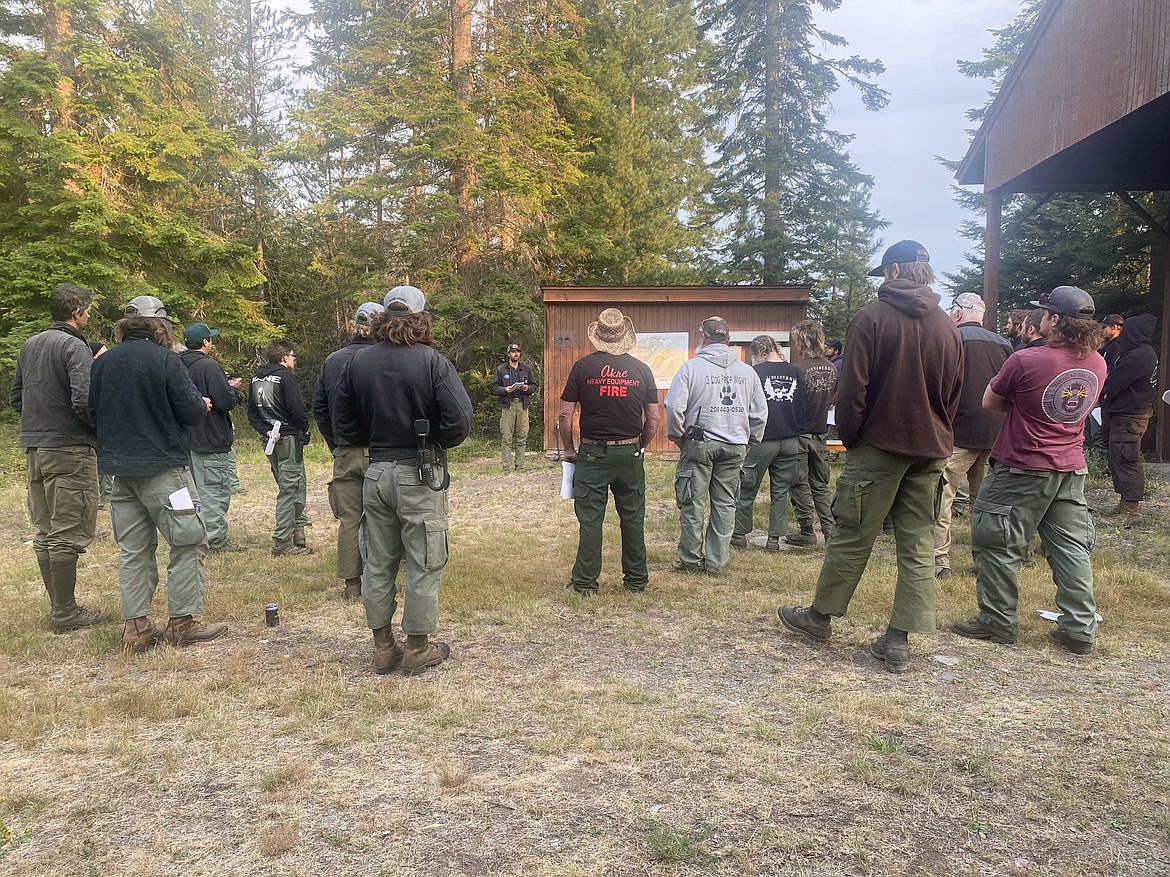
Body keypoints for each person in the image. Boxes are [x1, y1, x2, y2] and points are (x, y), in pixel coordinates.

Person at [778, 240, 962, 673]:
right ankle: (898, 640)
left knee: (853, 534)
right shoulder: (947, 326)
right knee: (918, 541)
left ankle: (819, 619)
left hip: (879, 446)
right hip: (931, 449)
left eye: (883, 272)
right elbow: (952, 395)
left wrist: (853, 439)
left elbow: (853, 391)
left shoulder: (871, 318)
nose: (882, 279)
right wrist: (938, 432)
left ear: (895, 270)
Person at [952, 285, 1107, 654]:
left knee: (996, 542)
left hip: (1021, 466)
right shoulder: (1098, 363)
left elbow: (990, 401)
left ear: (1054, 319)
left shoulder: (1028, 360)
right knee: (1071, 549)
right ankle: (1080, 629)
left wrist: (1022, 407)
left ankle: (997, 621)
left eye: (1045, 313)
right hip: (1070, 468)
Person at [333, 285, 473, 675]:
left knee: (377, 561)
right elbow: (460, 419)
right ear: (421, 317)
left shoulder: (356, 362)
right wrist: (435, 442)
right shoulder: (432, 361)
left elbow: (344, 423)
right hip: (420, 471)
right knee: (424, 560)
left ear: (382, 318)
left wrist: (375, 436)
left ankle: (382, 646)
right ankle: (416, 647)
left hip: (376, 470)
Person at [90, 295, 227, 650]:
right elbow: (191, 410)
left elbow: (92, 412)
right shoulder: (167, 359)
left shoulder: (103, 363)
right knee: (188, 540)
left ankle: (136, 629)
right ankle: (182, 623)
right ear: (160, 326)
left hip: (120, 472)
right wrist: (202, 403)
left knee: (133, 550)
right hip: (165, 470)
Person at [10, 283, 110, 633]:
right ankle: (65, 612)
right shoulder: (74, 346)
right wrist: (99, 432)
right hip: (69, 448)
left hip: (35, 447)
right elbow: (84, 400)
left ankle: (60, 607)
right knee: (67, 529)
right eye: (88, 309)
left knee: (46, 528)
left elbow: (16, 398)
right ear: (77, 311)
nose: (89, 314)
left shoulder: (30, 344)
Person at [558, 308, 660, 594]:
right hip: (629, 452)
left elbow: (565, 415)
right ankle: (636, 581)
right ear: (625, 336)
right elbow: (653, 418)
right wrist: (641, 446)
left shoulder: (582, 367)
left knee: (590, 519)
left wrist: (569, 449)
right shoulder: (642, 370)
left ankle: (585, 583)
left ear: (598, 336)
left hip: (591, 452)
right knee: (633, 517)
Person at [664, 316, 767, 573]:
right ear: (728, 339)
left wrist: (678, 437)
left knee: (693, 503)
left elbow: (674, 407)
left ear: (703, 337)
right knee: (725, 504)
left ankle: (690, 560)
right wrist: (751, 440)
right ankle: (717, 562)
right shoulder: (747, 372)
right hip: (734, 445)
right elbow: (760, 413)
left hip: (699, 442)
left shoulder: (691, 368)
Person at [933, 293, 1012, 579]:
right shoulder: (1005, 344)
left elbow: (939, 385)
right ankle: (987, 563)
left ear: (956, 313)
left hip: (957, 433)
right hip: (996, 434)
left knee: (942, 498)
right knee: (988, 505)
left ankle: (940, 561)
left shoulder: (950, 339)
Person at [313, 301, 385, 599]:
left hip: (345, 451)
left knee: (350, 519)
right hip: (381, 451)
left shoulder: (332, 361)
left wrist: (337, 443)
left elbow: (319, 408)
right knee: (382, 518)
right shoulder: (382, 359)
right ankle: (380, 581)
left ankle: (352, 585)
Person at [730, 336, 805, 551]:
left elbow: (747, 407)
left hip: (762, 441)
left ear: (757, 353)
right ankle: (774, 540)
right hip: (790, 441)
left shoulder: (756, 373)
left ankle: (739, 535)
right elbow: (802, 406)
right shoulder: (796, 372)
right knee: (780, 491)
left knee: (746, 488)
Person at [180, 322, 245, 554]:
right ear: (205, 342)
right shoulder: (209, 367)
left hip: (186, 440)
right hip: (210, 438)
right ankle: (216, 540)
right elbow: (225, 401)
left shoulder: (177, 364)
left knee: (194, 492)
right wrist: (232, 389)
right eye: (210, 339)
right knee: (214, 492)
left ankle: (198, 534)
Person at [248, 338, 313, 556]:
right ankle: (282, 542)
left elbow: (251, 412)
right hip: (288, 439)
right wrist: (304, 429)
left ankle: (299, 534)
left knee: (292, 485)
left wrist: (264, 430)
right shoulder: (285, 377)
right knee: (291, 489)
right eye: (293, 355)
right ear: (284, 357)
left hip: (270, 440)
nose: (295, 359)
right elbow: (297, 408)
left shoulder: (256, 376)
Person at [1098, 313, 1158, 527]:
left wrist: (1106, 388)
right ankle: (1125, 503)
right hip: (1130, 412)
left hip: (1129, 415)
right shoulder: (1143, 353)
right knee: (1119, 457)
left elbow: (1113, 383)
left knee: (1127, 459)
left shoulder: (1137, 356)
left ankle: (1132, 511)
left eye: (1128, 330)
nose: (1124, 335)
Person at [787, 319, 838, 546]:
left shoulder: (796, 370)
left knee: (798, 483)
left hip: (798, 434)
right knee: (820, 484)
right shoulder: (832, 367)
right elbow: (831, 400)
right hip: (820, 433)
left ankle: (807, 530)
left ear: (803, 342)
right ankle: (830, 531)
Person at [492, 342, 537, 473]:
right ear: (508, 354)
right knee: (506, 437)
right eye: (513, 352)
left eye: (518, 352)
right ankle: (505, 467)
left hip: (522, 405)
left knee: (522, 436)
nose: (516, 354)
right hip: (508, 406)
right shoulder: (501, 369)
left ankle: (520, 466)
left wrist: (527, 388)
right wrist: (504, 389)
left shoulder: (526, 369)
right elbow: (493, 388)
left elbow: (534, 386)